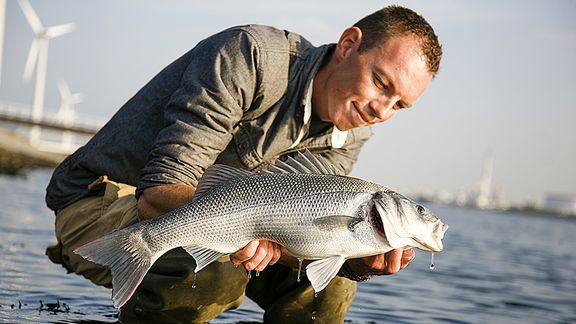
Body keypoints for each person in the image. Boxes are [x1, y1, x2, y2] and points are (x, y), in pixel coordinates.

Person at [45, 5, 442, 323]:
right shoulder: (250, 55)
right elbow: (159, 192)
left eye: (400, 105)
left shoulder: (353, 131)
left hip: (224, 225)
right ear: (348, 44)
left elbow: (294, 239)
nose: (381, 110)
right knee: (215, 272)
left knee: (332, 287)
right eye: (381, 82)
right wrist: (243, 229)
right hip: (102, 201)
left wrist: (357, 262)